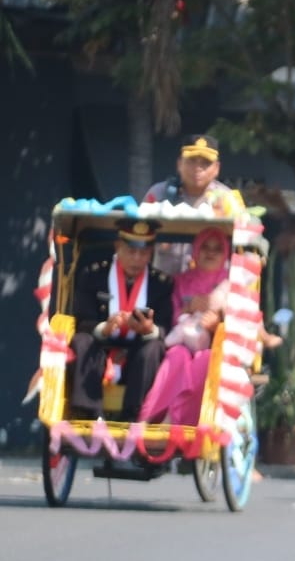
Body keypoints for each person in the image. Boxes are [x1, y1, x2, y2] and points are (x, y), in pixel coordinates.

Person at [68, 219, 174, 422]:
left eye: (143, 253)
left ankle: (135, 416)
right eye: (131, 251)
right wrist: (105, 327)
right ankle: (89, 413)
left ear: (151, 252)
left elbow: (165, 328)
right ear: (118, 246)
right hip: (101, 348)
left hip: (138, 353)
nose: (137, 259)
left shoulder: (161, 284)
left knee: (154, 347)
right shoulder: (93, 275)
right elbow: (82, 320)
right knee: (82, 340)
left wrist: (148, 329)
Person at [138, 227, 230, 426]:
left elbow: (241, 326)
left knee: (205, 360)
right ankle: (149, 417)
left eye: (217, 249)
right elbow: (170, 317)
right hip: (181, 342)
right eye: (205, 247)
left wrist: (217, 326)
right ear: (196, 250)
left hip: (215, 348)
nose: (211, 253)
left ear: (225, 253)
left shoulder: (231, 284)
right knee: (176, 356)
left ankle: (179, 420)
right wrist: (188, 308)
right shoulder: (181, 281)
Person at [144, 134, 245, 215]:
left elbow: (245, 235)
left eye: (206, 163)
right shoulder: (159, 194)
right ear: (179, 164)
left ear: (216, 168)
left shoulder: (228, 199)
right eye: (191, 161)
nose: (198, 168)